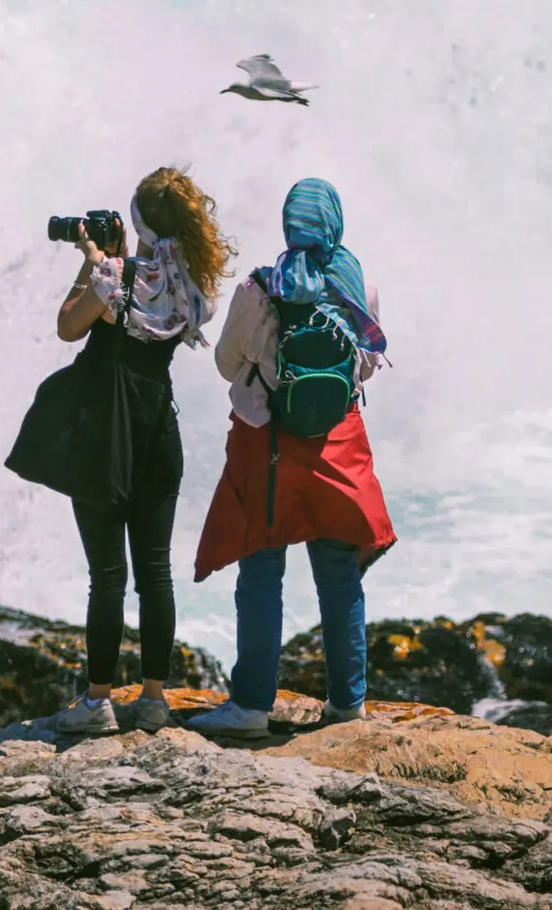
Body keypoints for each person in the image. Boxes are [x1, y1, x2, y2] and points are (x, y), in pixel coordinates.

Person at [187, 177, 395, 740]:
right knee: (338, 574)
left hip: (268, 443)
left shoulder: (261, 288)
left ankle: (252, 706)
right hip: (337, 443)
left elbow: (230, 364)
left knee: (261, 573)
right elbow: (368, 366)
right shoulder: (359, 287)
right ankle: (348, 704)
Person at [44, 168, 233, 735]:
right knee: (156, 573)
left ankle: (98, 699)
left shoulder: (113, 278)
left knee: (107, 575)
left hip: (107, 441)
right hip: (160, 437)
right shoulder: (196, 285)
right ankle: (153, 699)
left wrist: (93, 258)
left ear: (141, 223)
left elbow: (66, 328)